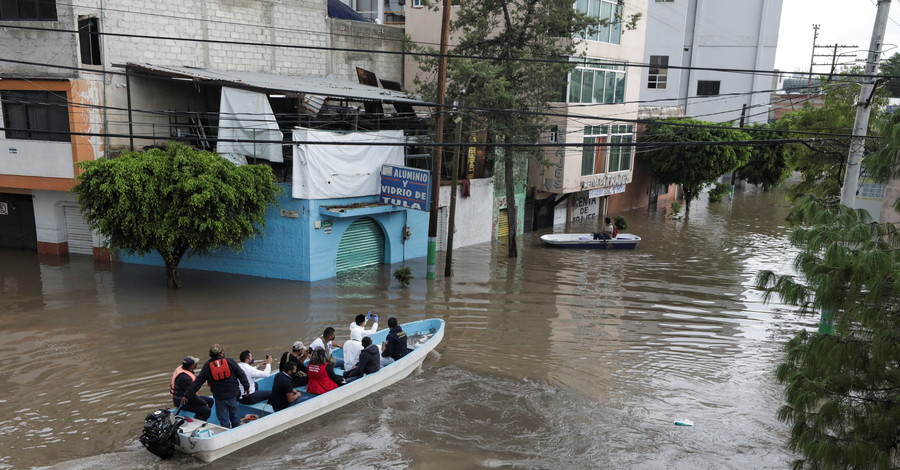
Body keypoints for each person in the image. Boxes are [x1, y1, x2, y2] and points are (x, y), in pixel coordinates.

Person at [183, 343, 250, 429]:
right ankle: (236, 429)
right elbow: (241, 375)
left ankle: (225, 432)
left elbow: (197, 383)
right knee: (235, 417)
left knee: (223, 419)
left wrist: (187, 395)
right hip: (233, 395)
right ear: (221, 353)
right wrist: (246, 387)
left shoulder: (207, 366)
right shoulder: (230, 362)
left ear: (211, 355)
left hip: (220, 398)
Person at [170, 355, 213, 421]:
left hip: (186, 397)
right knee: (206, 410)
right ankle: (199, 424)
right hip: (182, 401)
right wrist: (204, 403)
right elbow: (192, 396)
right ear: (192, 366)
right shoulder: (185, 378)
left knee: (210, 401)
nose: (196, 364)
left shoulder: (182, 369)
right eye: (195, 363)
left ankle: (198, 418)